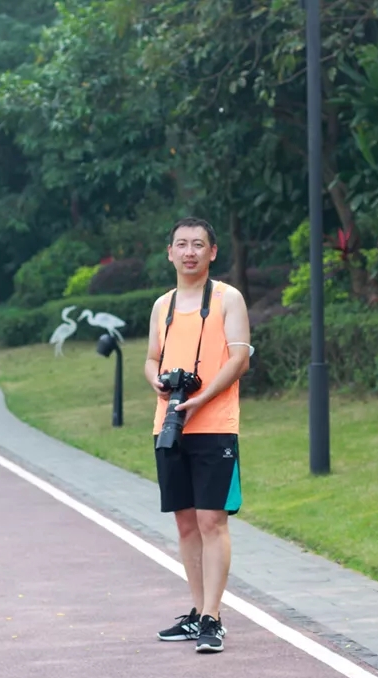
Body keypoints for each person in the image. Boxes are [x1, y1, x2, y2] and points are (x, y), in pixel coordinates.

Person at [144, 217, 252, 654]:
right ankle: (197, 612)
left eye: (198, 245)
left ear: (212, 252)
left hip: (215, 425)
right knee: (185, 522)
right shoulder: (162, 305)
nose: (189, 252)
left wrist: (202, 397)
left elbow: (240, 358)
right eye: (182, 244)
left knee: (212, 521)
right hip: (170, 426)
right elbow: (151, 358)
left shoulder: (228, 298)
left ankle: (213, 617)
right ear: (169, 252)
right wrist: (156, 382)